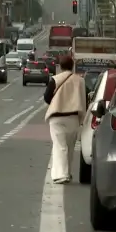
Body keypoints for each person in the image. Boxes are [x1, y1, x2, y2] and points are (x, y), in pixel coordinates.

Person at [43, 55, 86, 184]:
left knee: (60, 145)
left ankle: (61, 175)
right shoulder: (80, 80)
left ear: (60, 67)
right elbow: (84, 99)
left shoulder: (55, 80)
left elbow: (47, 97)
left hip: (57, 117)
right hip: (73, 117)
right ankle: (67, 173)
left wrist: (57, 101)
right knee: (70, 146)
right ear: (72, 66)